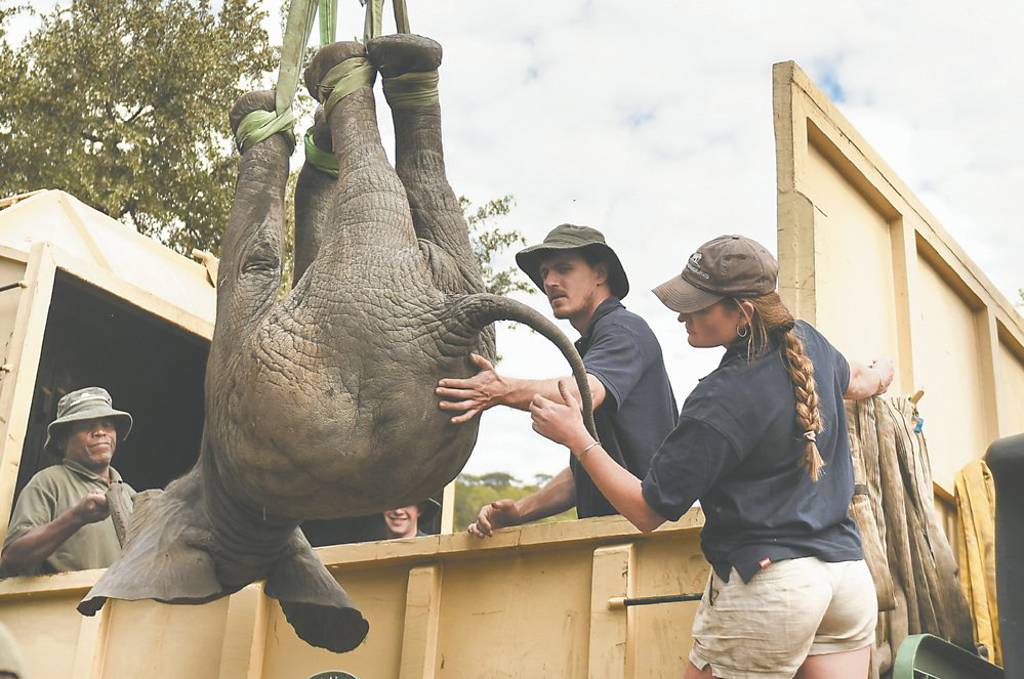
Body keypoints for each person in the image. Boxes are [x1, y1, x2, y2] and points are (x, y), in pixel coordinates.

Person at [529, 234, 894, 679]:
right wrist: (882, 373)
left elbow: (647, 511)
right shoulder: (809, 343)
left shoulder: (720, 399)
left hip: (773, 587)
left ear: (740, 313)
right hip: (847, 581)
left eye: (697, 305)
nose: (682, 314)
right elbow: (856, 380)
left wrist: (579, 439)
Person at [435, 224, 677, 535]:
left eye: (564, 269)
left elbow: (581, 392)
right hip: (618, 539)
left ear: (600, 273)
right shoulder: (595, 344)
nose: (549, 282)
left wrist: (500, 390)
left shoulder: (623, 330)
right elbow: (588, 469)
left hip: (650, 543)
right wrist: (519, 511)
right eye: (545, 272)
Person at [1, 387, 136, 577]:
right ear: (62, 441)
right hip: (67, 605)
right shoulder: (48, 482)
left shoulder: (130, 494)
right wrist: (76, 517)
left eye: (107, 424)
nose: (100, 432)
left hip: (122, 606)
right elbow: (12, 559)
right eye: (86, 426)